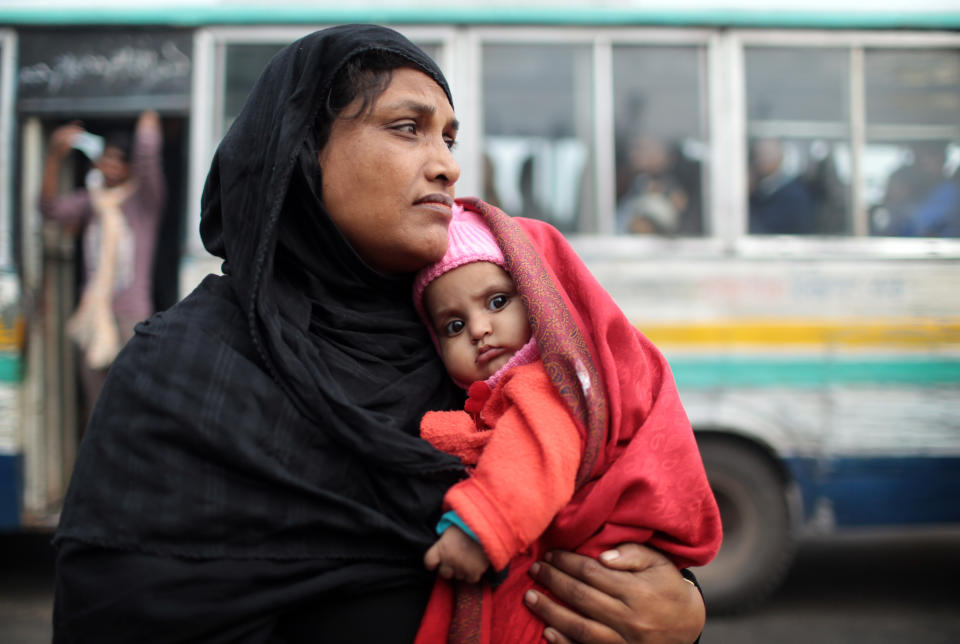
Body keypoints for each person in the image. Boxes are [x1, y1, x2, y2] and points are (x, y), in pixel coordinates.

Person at [52, 25, 708, 644]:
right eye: (408, 129)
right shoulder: (186, 373)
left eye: (450, 138)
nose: (447, 166)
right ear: (301, 152)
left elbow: (602, 515)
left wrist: (680, 611)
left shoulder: (477, 353)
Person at [412, 204, 721, 642]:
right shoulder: (496, 392)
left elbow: (534, 453)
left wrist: (480, 526)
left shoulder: (544, 383)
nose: (479, 329)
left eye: (498, 302)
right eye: (454, 325)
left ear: (539, 299)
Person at [40, 110, 166, 421]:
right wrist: (55, 156)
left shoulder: (144, 202)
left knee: (134, 404)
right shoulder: (91, 202)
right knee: (99, 408)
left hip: (131, 316)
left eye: (117, 161)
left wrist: (148, 125)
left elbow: (148, 161)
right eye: (105, 159)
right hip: (93, 318)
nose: (109, 167)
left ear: (129, 166)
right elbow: (50, 209)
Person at [748, 137, 816, 235]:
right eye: (758, 156)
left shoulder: (793, 194)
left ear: (780, 157)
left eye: (766, 156)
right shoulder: (762, 189)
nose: (760, 161)